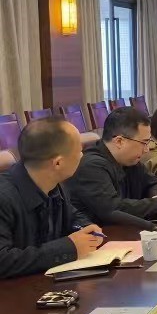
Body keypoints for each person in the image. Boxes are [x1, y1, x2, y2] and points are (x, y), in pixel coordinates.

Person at [0, 117, 103, 279]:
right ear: (58, 163)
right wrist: (68, 248)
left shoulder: (54, 183)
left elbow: (72, 215)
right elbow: (3, 261)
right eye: (79, 151)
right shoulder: (4, 197)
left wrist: (85, 227)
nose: (82, 155)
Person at [68, 107, 157, 223]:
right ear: (119, 141)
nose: (146, 150)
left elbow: (155, 183)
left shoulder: (129, 160)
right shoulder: (92, 167)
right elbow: (115, 210)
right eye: (143, 143)